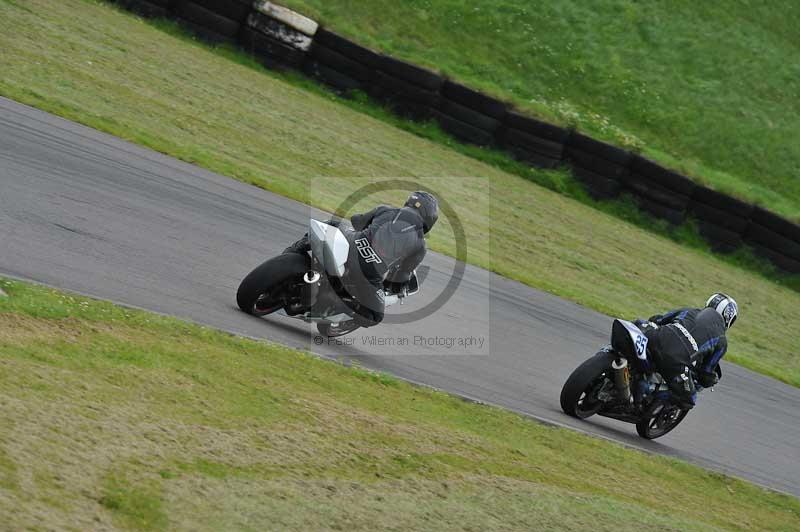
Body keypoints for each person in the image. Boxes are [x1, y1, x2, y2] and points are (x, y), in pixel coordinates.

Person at [284, 191, 438, 327]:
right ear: (429, 219)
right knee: (375, 316)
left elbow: (356, 221)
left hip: (350, 243)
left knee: (331, 224)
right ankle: (335, 301)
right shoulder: (420, 245)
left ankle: (292, 252)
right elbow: (403, 275)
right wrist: (398, 287)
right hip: (368, 272)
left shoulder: (385, 209)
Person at [635, 293, 738, 409]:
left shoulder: (689, 310)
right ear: (729, 321)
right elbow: (705, 373)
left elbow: (658, 319)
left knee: (640, 325)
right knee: (689, 399)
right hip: (675, 361)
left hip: (655, 338)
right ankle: (647, 388)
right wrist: (711, 379)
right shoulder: (721, 341)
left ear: (709, 303)